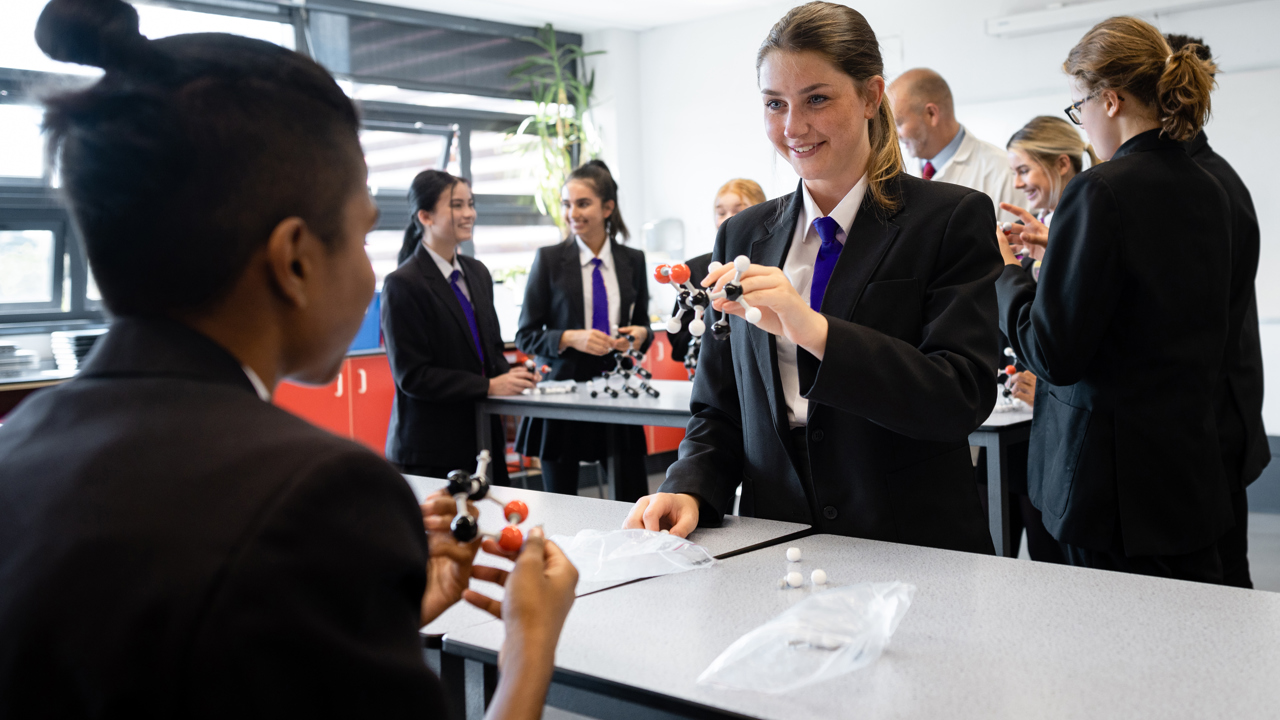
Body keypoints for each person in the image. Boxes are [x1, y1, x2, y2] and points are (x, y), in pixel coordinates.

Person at [0, 1, 576, 717]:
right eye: (363, 237)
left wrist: (365, 612)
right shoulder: (317, 496)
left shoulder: (17, 450)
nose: (373, 275)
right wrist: (528, 650)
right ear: (296, 259)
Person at [625, 1, 1001, 554]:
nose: (792, 127)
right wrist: (689, 487)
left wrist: (814, 331)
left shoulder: (949, 218)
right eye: (774, 104)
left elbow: (959, 397)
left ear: (872, 96)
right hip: (777, 537)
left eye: (816, 100)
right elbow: (719, 406)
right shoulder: (742, 236)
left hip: (910, 538)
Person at [995, 17, 1232, 583]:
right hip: (1184, 474)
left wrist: (1007, 276)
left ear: (1110, 99)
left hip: (1110, 488)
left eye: (1078, 109)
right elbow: (1151, 298)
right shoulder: (1207, 186)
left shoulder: (1099, 189)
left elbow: (1052, 354)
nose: (1082, 128)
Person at [1165, 33, 1269, 589]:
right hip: (1217, 413)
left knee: (1221, 580)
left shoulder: (1194, 184)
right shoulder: (1208, 174)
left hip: (1209, 421)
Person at [977, 115, 1098, 565]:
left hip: (1059, 426)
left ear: (1061, 163)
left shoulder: (1085, 220)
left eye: (1024, 170)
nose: (1018, 182)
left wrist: (1011, 269)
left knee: (1054, 557)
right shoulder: (1063, 226)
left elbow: (1062, 336)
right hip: (1037, 419)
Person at [382, 170, 538, 482]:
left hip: (483, 437)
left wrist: (510, 376)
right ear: (425, 216)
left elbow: (489, 351)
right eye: (457, 205)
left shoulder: (477, 273)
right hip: (432, 447)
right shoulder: (403, 283)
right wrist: (489, 386)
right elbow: (413, 376)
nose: (469, 214)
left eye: (470, 204)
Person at [515, 160, 653, 500]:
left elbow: (644, 326)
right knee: (559, 505)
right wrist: (570, 337)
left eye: (582, 203)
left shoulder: (633, 260)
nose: (572, 213)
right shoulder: (548, 260)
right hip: (563, 396)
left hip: (618, 392)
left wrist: (640, 336)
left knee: (632, 499)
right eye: (566, 204)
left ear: (608, 208)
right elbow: (526, 335)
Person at [888, 68, 1020, 222]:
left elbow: (1014, 242)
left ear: (931, 114)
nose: (895, 135)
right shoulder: (900, 170)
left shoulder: (1003, 172)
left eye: (899, 123)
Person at [669, 178, 767, 364]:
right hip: (711, 373)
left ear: (762, 213)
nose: (728, 218)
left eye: (738, 210)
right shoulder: (693, 270)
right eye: (721, 212)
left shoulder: (772, 267)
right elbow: (678, 343)